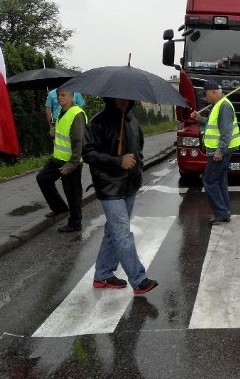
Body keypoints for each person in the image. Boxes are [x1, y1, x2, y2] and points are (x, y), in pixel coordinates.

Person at [83, 97, 158, 296]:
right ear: (111, 98)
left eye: (127, 98)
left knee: (112, 231)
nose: (124, 101)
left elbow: (138, 148)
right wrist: (118, 161)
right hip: (109, 187)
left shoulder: (132, 121)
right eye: (120, 98)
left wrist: (137, 169)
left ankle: (102, 274)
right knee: (122, 233)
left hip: (129, 185)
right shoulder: (97, 123)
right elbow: (88, 154)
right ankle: (139, 279)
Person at [190, 81, 240, 224]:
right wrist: (200, 119)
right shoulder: (219, 105)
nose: (206, 98)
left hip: (220, 152)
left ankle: (220, 212)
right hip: (222, 150)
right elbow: (214, 125)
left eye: (206, 95)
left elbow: (226, 132)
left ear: (213, 92)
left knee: (209, 180)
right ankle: (225, 211)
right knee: (220, 181)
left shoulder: (223, 106)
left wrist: (220, 151)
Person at [36, 90, 86, 232]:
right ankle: (59, 208)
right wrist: (53, 130)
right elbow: (63, 134)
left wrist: (71, 164)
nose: (59, 97)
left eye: (63, 95)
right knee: (43, 178)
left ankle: (75, 223)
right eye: (58, 95)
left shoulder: (77, 114)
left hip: (71, 162)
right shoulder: (61, 113)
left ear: (72, 97)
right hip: (57, 159)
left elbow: (79, 141)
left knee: (72, 194)